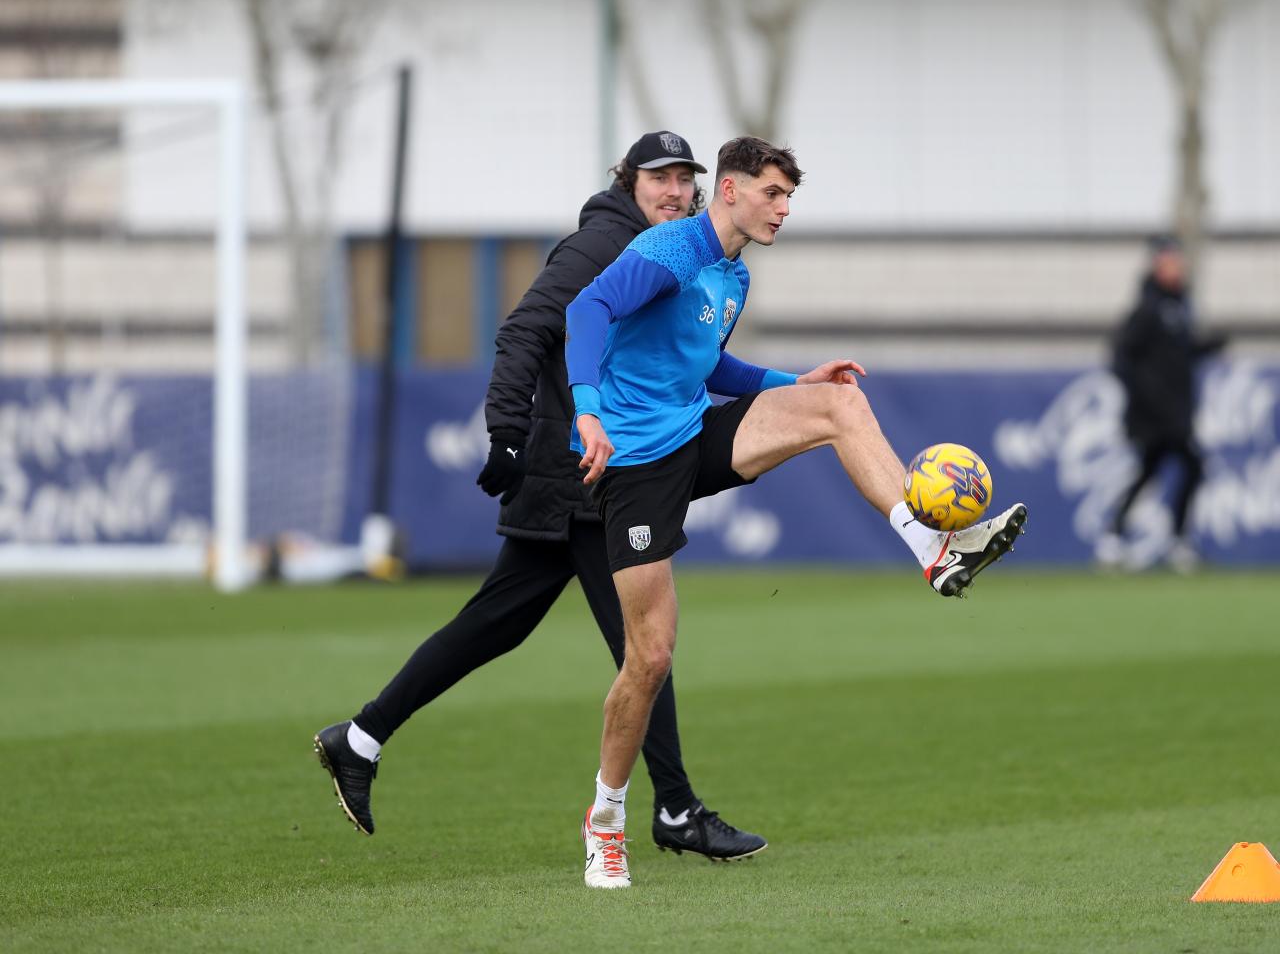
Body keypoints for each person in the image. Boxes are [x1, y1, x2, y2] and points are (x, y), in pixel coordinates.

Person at [565, 136, 1028, 889]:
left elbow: (707, 362)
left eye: (789, 197)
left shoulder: (733, 274)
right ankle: (606, 819)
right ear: (730, 190)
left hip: (693, 433)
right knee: (649, 659)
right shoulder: (671, 249)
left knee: (838, 403)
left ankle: (933, 547)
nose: (783, 209)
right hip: (634, 462)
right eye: (773, 193)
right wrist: (587, 411)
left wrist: (795, 382)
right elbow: (588, 309)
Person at [313, 131, 766, 861]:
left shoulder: (681, 250)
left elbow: (696, 357)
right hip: (582, 471)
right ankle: (677, 808)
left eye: (686, 179)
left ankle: (360, 738)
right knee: (644, 649)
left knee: (499, 623)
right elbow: (525, 329)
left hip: (590, 467)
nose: (677, 192)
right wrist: (505, 432)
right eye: (660, 179)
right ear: (629, 181)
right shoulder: (601, 245)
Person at [1097, 235, 1226, 571]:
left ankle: (1121, 534)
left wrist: (1208, 347)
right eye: (1169, 261)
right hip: (1154, 416)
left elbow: (1179, 356)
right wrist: (1145, 398)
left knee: (1158, 470)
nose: (1176, 268)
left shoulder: (1180, 307)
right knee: (1182, 467)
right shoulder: (1147, 309)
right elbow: (1121, 359)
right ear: (1156, 265)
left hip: (1176, 413)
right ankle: (1165, 540)